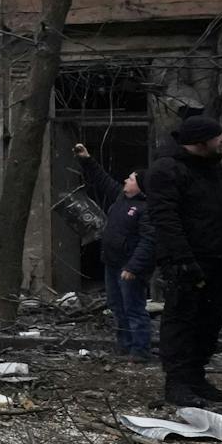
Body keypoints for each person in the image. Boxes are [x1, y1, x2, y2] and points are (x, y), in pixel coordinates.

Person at [142, 115, 222, 406]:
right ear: (202, 142)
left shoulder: (213, 169)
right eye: (218, 136)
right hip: (183, 263)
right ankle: (177, 383)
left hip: (212, 259)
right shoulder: (166, 170)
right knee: (182, 321)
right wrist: (182, 259)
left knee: (210, 321)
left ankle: (196, 378)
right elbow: (166, 219)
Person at [73, 143, 155, 358]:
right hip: (112, 263)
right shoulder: (121, 198)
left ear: (141, 186)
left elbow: (148, 242)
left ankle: (140, 350)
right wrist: (86, 159)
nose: (125, 180)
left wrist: (133, 267)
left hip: (129, 267)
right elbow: (102, 180)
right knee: (117, 307)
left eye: (130, 179)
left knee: (134, 309)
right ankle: (124, 345)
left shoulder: (146, 209)